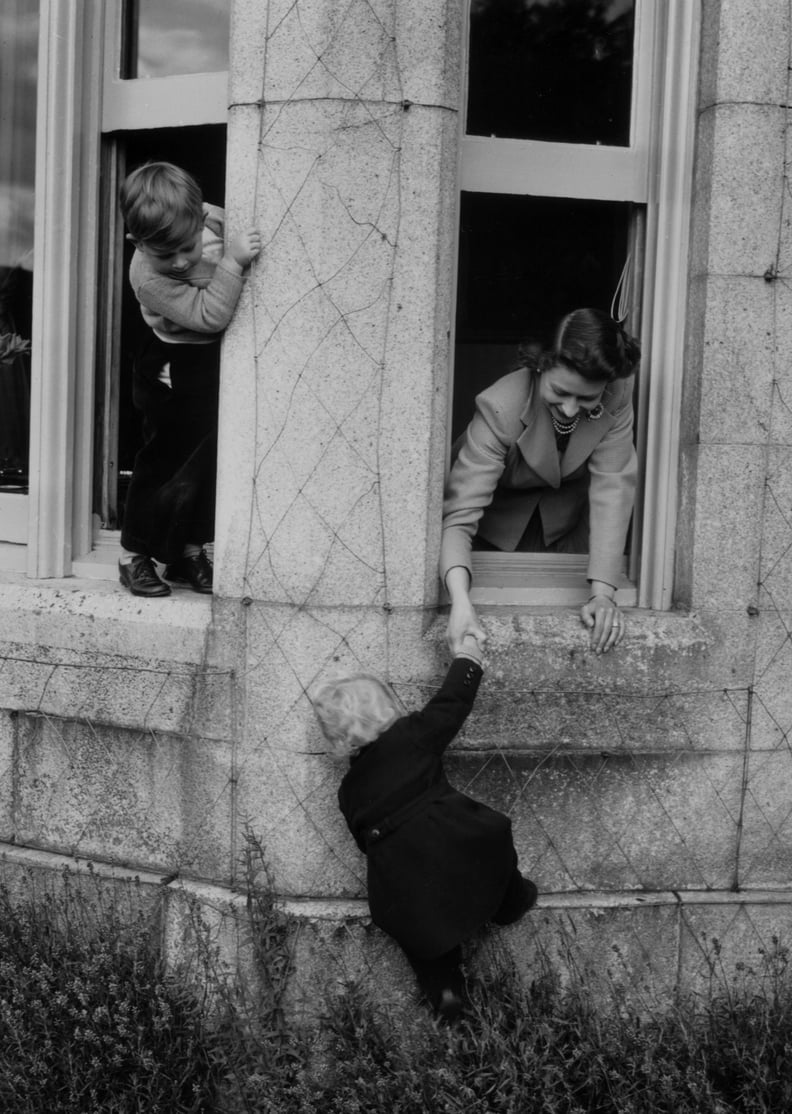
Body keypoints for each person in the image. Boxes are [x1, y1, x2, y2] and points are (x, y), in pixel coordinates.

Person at [311, 636, 537, 1022]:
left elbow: (363, 841)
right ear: (388, 709)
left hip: (402, 881)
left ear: (338, 739)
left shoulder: (348, 789)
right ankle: (510, 903)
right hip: (459, 845)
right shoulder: (413, 735)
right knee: (493, 852)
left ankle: (447, 994)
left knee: (422, 943)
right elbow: (452, 703)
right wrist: (468, 659)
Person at [441, 307, 640, 656]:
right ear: (539, 365)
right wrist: (459, 602)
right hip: (495, 526)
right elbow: (459, 516)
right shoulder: (499, 406)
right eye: (560, 392)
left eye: (586, 398)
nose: (569, 408)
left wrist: (604, 594)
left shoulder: (618, 394)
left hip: (565, 526)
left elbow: (613, 487)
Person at [117, 161, 261, 597]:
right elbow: (209, 315)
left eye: (186, 246)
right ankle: (133, 554)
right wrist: (233, 263)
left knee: (207, 459)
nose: (179, 262)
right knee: (165, 458)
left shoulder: (211, 218)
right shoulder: (147, 277)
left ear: (200, 220)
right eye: (165, 254)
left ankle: (188, 552)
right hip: (167, 364)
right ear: (137, 243)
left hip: (204, 365)